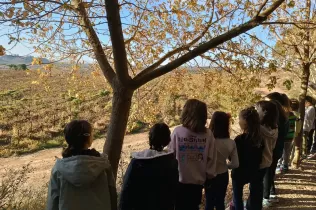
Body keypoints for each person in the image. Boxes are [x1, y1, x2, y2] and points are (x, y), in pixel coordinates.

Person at [46, 120, 117, 210]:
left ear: (67, 139)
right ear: (89, 138)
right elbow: (113, 197)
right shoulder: (103, 165)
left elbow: (52, 203)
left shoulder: (58, 169)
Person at [168, 99, 217, 210]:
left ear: (186, 112)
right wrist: (209, 177)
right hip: (197, 184)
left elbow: (170, 156)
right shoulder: (208, 134)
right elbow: (211, 158)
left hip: (179, 182)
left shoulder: (177, 132)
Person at [119, 123, 178, 210]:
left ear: (150, 138)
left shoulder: (137, 162)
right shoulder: (171, 163)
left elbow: (126, 191)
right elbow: (175, 191)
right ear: (168, 140)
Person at [246, 101, 278, 210]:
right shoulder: (275, 128)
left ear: (264, 112)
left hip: (258, 162)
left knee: (254, 187)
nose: (256, 111)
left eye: (257, 109)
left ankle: (252, 206)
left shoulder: (259, 129)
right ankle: (255, 205)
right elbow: (273, 146)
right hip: (268, 160)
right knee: (258, 186)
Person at [205, 112, 239, 210]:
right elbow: (235, 164)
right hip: (223, 175)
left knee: (209, 202)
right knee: (220, 202)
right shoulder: (231, 143)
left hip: (209, 175)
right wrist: (226, 165)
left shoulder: (207, 140)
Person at [232, 107, 263, 210]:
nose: (238, 121)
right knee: (254, 193)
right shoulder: (259, 140)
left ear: (245, 122)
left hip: (239, 172)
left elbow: (233, 157)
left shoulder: (239, 139)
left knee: (237, 196)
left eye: (239, 118)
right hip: (254, 171)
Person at [263, 92, 289, 207]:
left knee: (268, 173)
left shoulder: (274, 123)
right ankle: (271, 193)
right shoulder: (284, 118)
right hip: (278, 149)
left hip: (272, 150)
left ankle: (265, 197)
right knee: (271, 171)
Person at [278, 98, 300, 173]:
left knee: (281, 151)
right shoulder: (294, 116)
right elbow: (298, 123)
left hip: (283, 136)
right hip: (290, 136)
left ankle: (279, 165)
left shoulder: (283, 116)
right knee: (287, 152)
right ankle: (285, 166)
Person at [289, 99, 302, 165]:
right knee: (294, 148)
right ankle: (292, 161)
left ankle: (288, 162)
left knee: (289, 148)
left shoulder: (290, 114)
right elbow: (299, 125)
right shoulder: (299, 114)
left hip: (290, 133)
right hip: (296, 133)